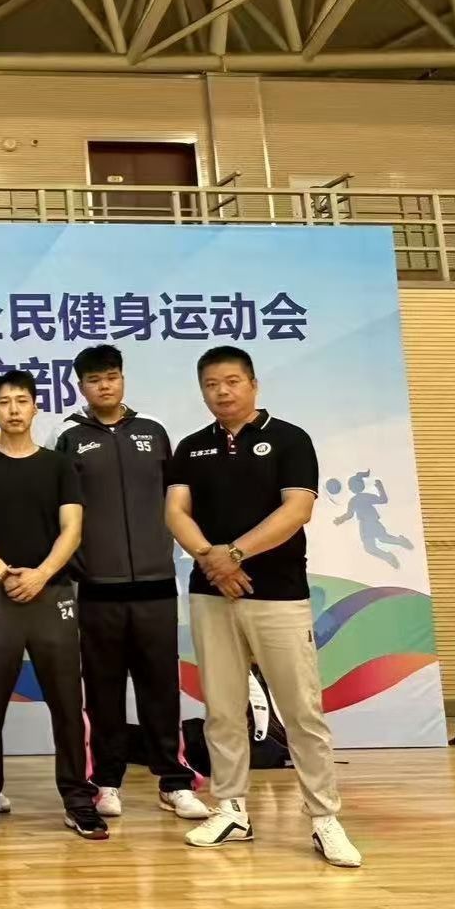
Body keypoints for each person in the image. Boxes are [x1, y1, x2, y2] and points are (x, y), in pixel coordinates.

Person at [166, 346, 361, 867]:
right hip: (211, 593)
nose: (222, 392)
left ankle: (324, 817)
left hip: (277, 593)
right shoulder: (190, 447)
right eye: (211, 384)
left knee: (301, 711)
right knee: (222, 709)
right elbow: (176, 512)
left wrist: (233, 554)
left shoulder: (290, 439)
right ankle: (230, 809)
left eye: (232, 381)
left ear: (253, 384)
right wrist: (212, 560)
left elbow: (297, 510)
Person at [54, 346, 206, 822]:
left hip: (156, 584)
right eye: (94, 379)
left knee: (161, 688)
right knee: (102, 691)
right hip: (97, 588)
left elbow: (177, 501)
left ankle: (174, 781)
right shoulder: (68, 438)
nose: (105, 385)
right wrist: (77, 565)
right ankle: (107, 782)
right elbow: (60, 510)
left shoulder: (153, 432)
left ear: (122, 379)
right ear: (81, 386)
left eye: (112, 376)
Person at [0, 370, 104, 841]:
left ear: (36, 406)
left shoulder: (58, 465)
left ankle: (79, 800)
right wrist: (4, 573)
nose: (14, 410)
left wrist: (41, 574)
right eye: (4, 402)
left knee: (68, 703)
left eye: (22, 400)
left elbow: (72, 530)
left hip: (52, 593)